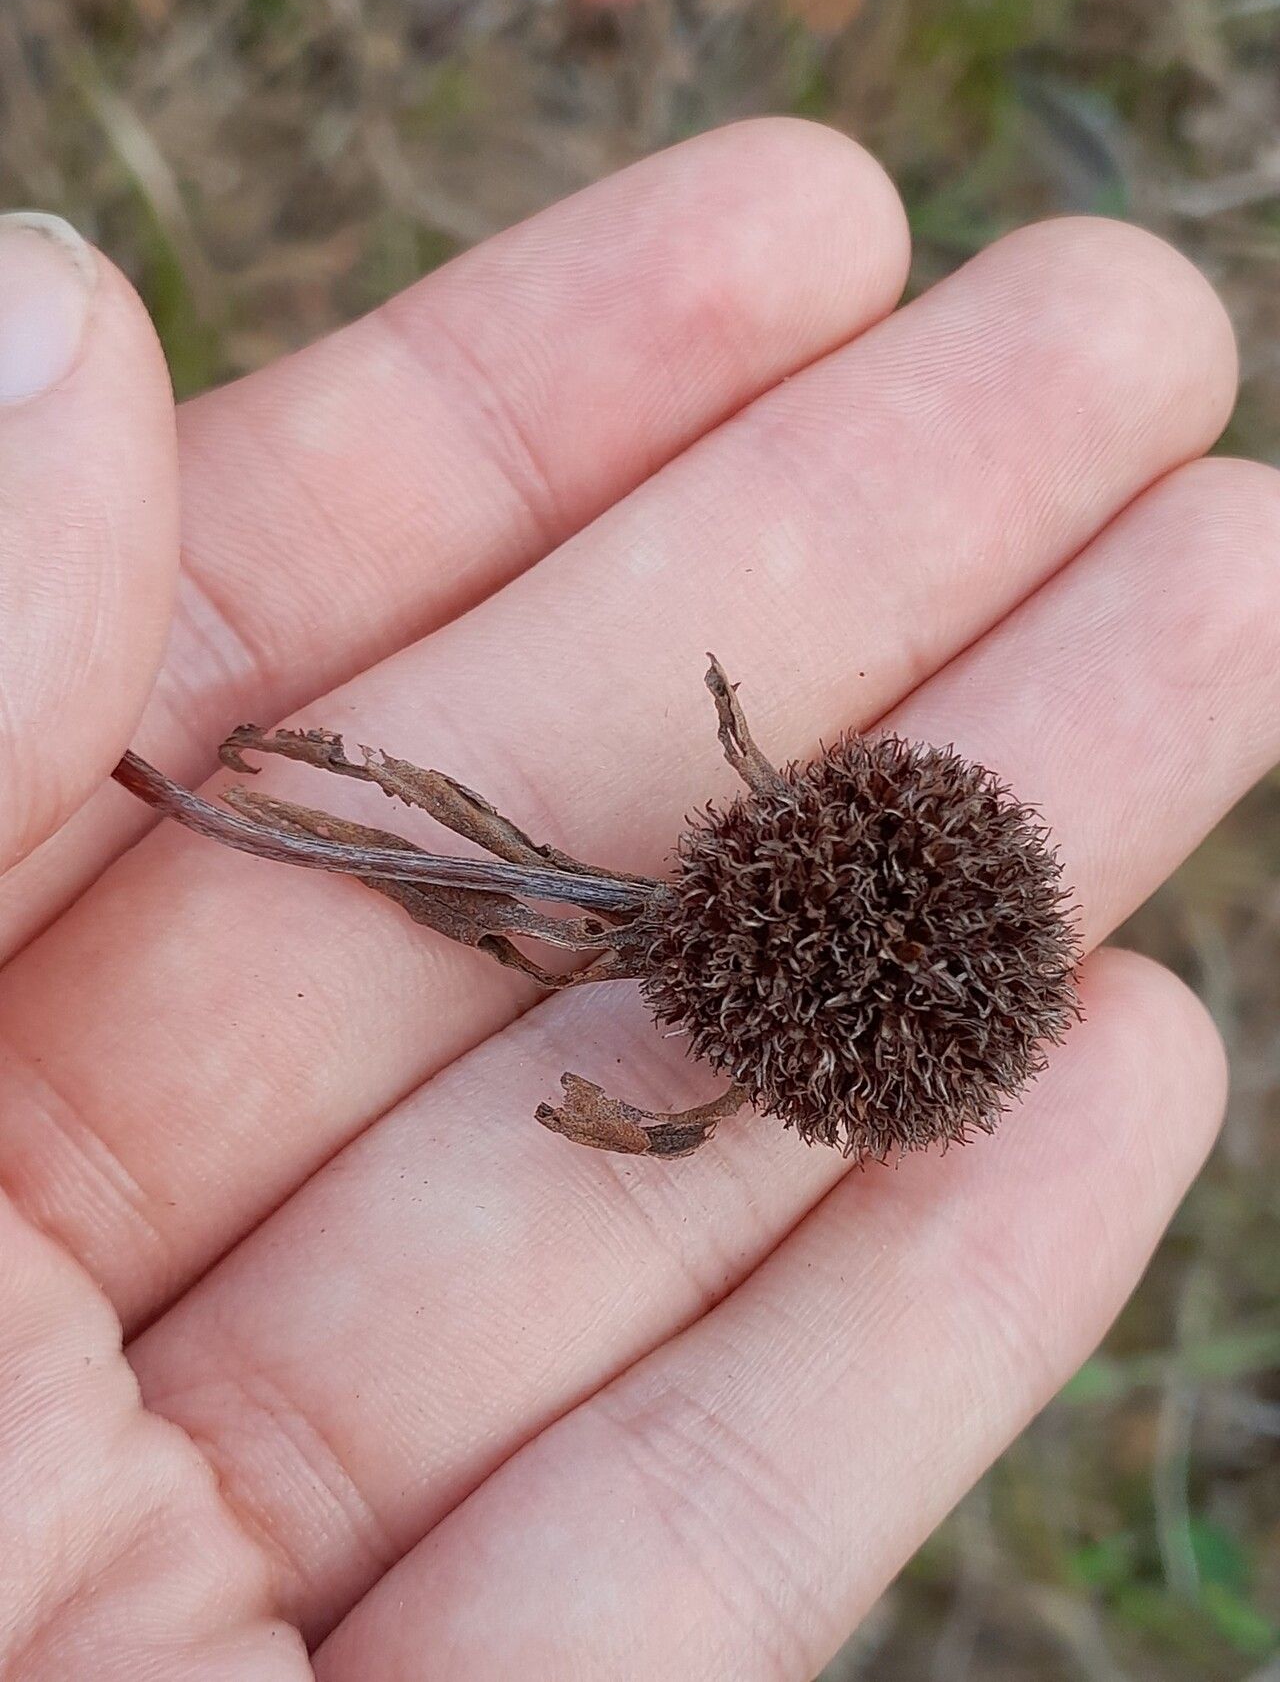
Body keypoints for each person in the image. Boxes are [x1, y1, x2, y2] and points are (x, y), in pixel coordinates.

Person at [0, 119, 1275, 1680]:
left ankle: (238, 788)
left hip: (668, 932)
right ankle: (230, 788)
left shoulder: (798, 957)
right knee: (439, 850)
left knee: (456, 854)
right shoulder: (828, 989)